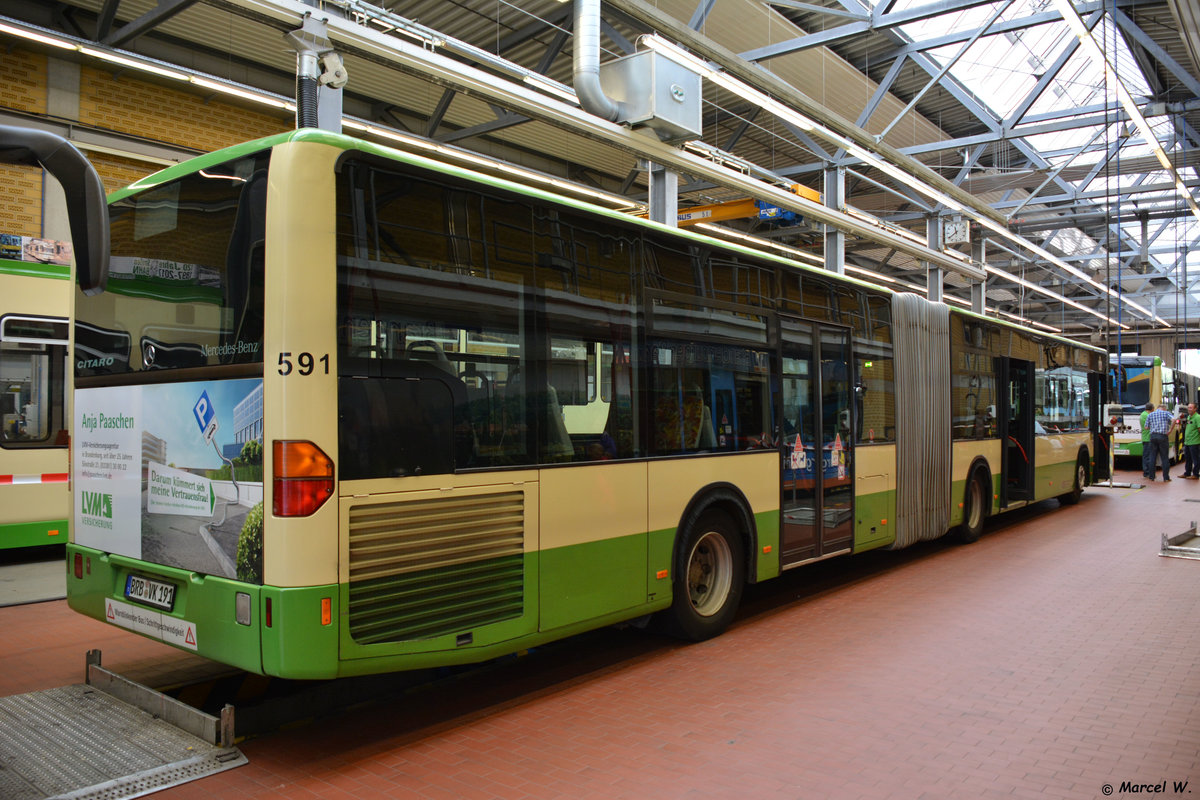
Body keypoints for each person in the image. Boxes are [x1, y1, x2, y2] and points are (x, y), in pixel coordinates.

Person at [1145, 403, 1176, 481]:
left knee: (1152, 457)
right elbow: (1174, 420)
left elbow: (1146, 427)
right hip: (1163, 436)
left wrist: (1153, 427)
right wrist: (1170, 430)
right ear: (1164, 408)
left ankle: (1151, 476)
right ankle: (1166, 477)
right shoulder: (1166, 413)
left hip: (1153, 436)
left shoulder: (1150, 415)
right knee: (1164, 457)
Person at [1183, 403, 1200, 480]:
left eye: (1191, 408)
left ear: (1195, 409)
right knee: (1188, 458)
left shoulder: (1197, 417)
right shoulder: (1189, 417)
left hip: (1194, 442)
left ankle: (1196, 474)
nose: (1189, 409)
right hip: (1188, 442)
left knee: (1195, 459)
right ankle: (1187, 473)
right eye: (1188, 408)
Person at [1140, 402, 1155, 479]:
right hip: (1148, 437)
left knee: (1146, 455)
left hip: (1145, 437)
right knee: (1148, 456)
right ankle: (1147, 472)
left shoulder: (1143, 414)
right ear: (1152, 409)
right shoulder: (1148, 415)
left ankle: (1147, 471)